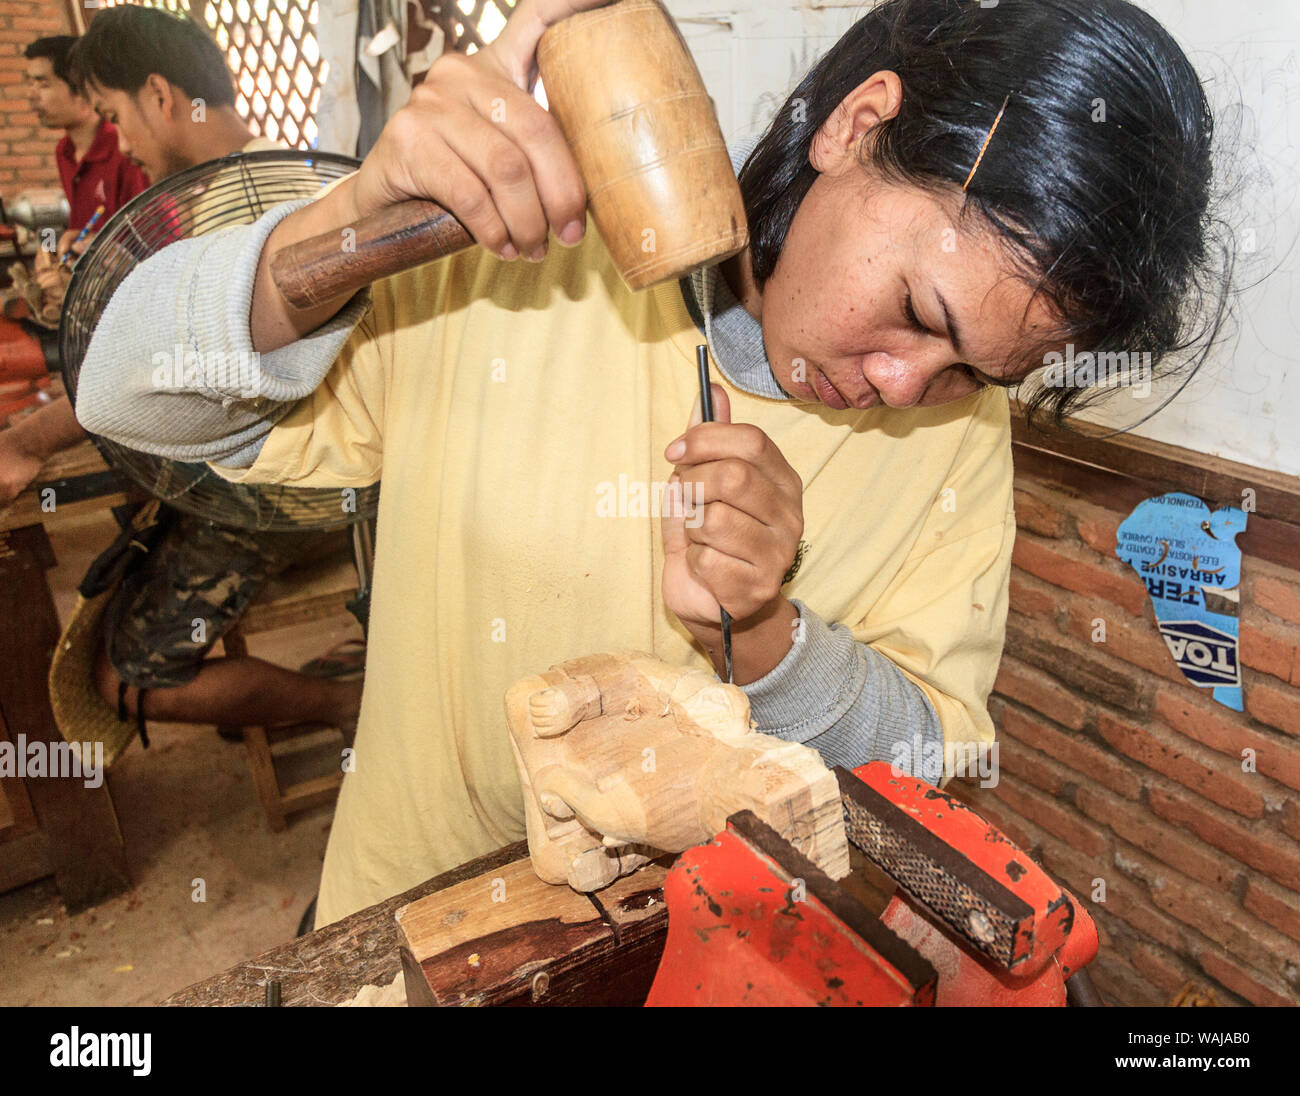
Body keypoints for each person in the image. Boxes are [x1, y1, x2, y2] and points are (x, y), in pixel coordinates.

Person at [75, 0, 1231, 929]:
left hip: (680, 950)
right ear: (855, 123)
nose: (901, 387)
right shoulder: (518, 261)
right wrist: (342, 236)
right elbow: (122, 394)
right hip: (411, 919)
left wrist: (772, 634)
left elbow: (932, 753)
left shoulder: (953, 439)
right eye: (915, 309)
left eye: (971, 369)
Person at [0, 6, 364, 753]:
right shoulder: (264, 177)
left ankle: (344, 703)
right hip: (300, 471)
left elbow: (170, 365)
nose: (122, 141)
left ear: (161, 98)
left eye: (115, 115)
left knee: (126, 676)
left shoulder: (242, 205)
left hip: (288, 489)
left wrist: (30, 438)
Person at [24, 35, 148, 243]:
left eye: (43, 84)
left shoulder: (126, 149)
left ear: (82, 90)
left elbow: (151, 241)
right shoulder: (65, 151)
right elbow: (82, 231)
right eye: (31, 83)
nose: (31, 94)